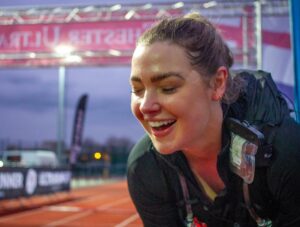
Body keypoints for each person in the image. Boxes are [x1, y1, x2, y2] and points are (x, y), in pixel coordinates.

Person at [127, 12, 300, 227]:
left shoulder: (284, 151)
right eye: (138, 90)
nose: (145, 106)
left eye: (168, 87)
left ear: (218, 83)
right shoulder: (145, 166)